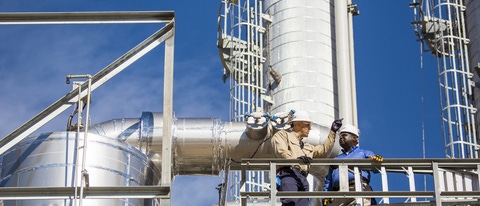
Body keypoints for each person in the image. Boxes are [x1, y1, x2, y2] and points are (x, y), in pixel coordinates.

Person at [271, 110, 343, 206]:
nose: (310, 128)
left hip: (303, 178)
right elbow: (281, 152)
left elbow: (324, 151)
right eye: (307, 125)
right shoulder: (282, 136)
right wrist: (297, 160)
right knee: (290, 203)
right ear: (299, 124)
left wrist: (332, 132)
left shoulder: (307, 147)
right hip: (288, 174)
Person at [323, 124, 383, 206]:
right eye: (340, 136)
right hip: (338, 194)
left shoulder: (364, 153)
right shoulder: (336, 160)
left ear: (354, 138)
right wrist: (326, 196)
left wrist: (376, 162)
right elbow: (328, 180)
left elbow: (376, 169)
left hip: (359, 189)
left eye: (344, 135)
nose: (341, 138)